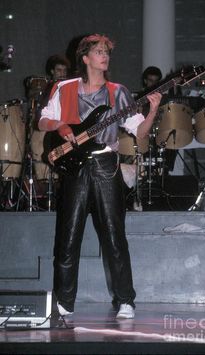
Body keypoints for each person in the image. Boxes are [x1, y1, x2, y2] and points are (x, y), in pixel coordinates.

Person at [38, 33, 162, 319]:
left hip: (107, 163)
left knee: (114, 235)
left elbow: (140, 132)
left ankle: (125, 300)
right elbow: (42, 119)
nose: (105, 56)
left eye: (107, 51)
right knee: (68, 236)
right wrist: (61, 126)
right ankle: (65, 301)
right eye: (99, 51)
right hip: (76, 166)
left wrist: (153, 109)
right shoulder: (64, 87)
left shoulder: (118, 92)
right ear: (85, 58)